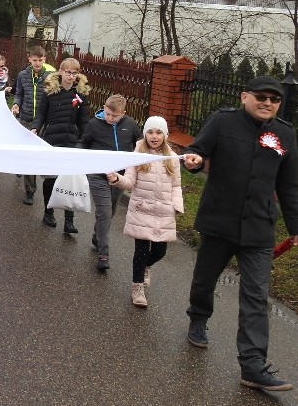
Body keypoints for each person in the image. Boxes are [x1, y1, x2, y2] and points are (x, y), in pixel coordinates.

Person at [182, 75, 298, 392]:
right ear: (246, 96)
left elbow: (289, 186)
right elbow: (197, 150)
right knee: (205, 281)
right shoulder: (223, 121)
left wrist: (295, 227)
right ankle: (198, 318)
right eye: (261, 97)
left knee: (256, 298)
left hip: (259, 228)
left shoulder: (285, 133)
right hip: (220, 221)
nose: (267, 103)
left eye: (274, 100)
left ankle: (253, 366)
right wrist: (193, 161)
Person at [107, 116, 182, 307]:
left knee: (160, 251)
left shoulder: (172, 158)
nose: (154, 137)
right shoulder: (138, 155)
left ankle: (147, 266)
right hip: (142, 209)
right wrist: (117, 179)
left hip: (164, 211)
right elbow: (130, 181)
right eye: (150, 132)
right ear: (145, 134)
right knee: (140, 250)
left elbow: (176, 185)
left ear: (165, 135)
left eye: (158, 132)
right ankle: (137, 287)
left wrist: (177, 206)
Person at [77, 94, 142, 271]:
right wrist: (76, 155)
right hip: (97, 175)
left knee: (111, 211)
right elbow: (83, 143)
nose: (110, 118)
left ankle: (97, 236)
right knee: (104, 212)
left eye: (115, 116)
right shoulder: (94, 124)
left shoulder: (130, 125)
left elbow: (140, 145)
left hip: (120, 177)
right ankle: (103, 254)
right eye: (107, 114)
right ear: (104, 109)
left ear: (124, 114)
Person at [30, 58, 90, 234]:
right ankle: (48, 211)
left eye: (74, 73)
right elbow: (41, 114)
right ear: (61, 72)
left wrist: (86, 141)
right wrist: (35, 128)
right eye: (68, 72)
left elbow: (84, 121)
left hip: (72, 141)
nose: (71, 76)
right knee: (51, 178)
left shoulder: (81, 95)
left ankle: (69, 220)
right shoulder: (50, 92)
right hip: (52, 140)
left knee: (69, 179)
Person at [12, 45, 55, 204]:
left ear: (45, 60)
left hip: (44, 120)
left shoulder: (51, 76)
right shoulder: (23, 75)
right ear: (29, 59)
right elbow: (19, 93)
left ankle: (27, 169)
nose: (37, 63)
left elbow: (54, 95)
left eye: (41, 60)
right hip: (26, 117)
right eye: (35, 60)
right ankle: (30, 191)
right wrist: (16, 104)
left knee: (39, 153)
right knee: (28, 153)